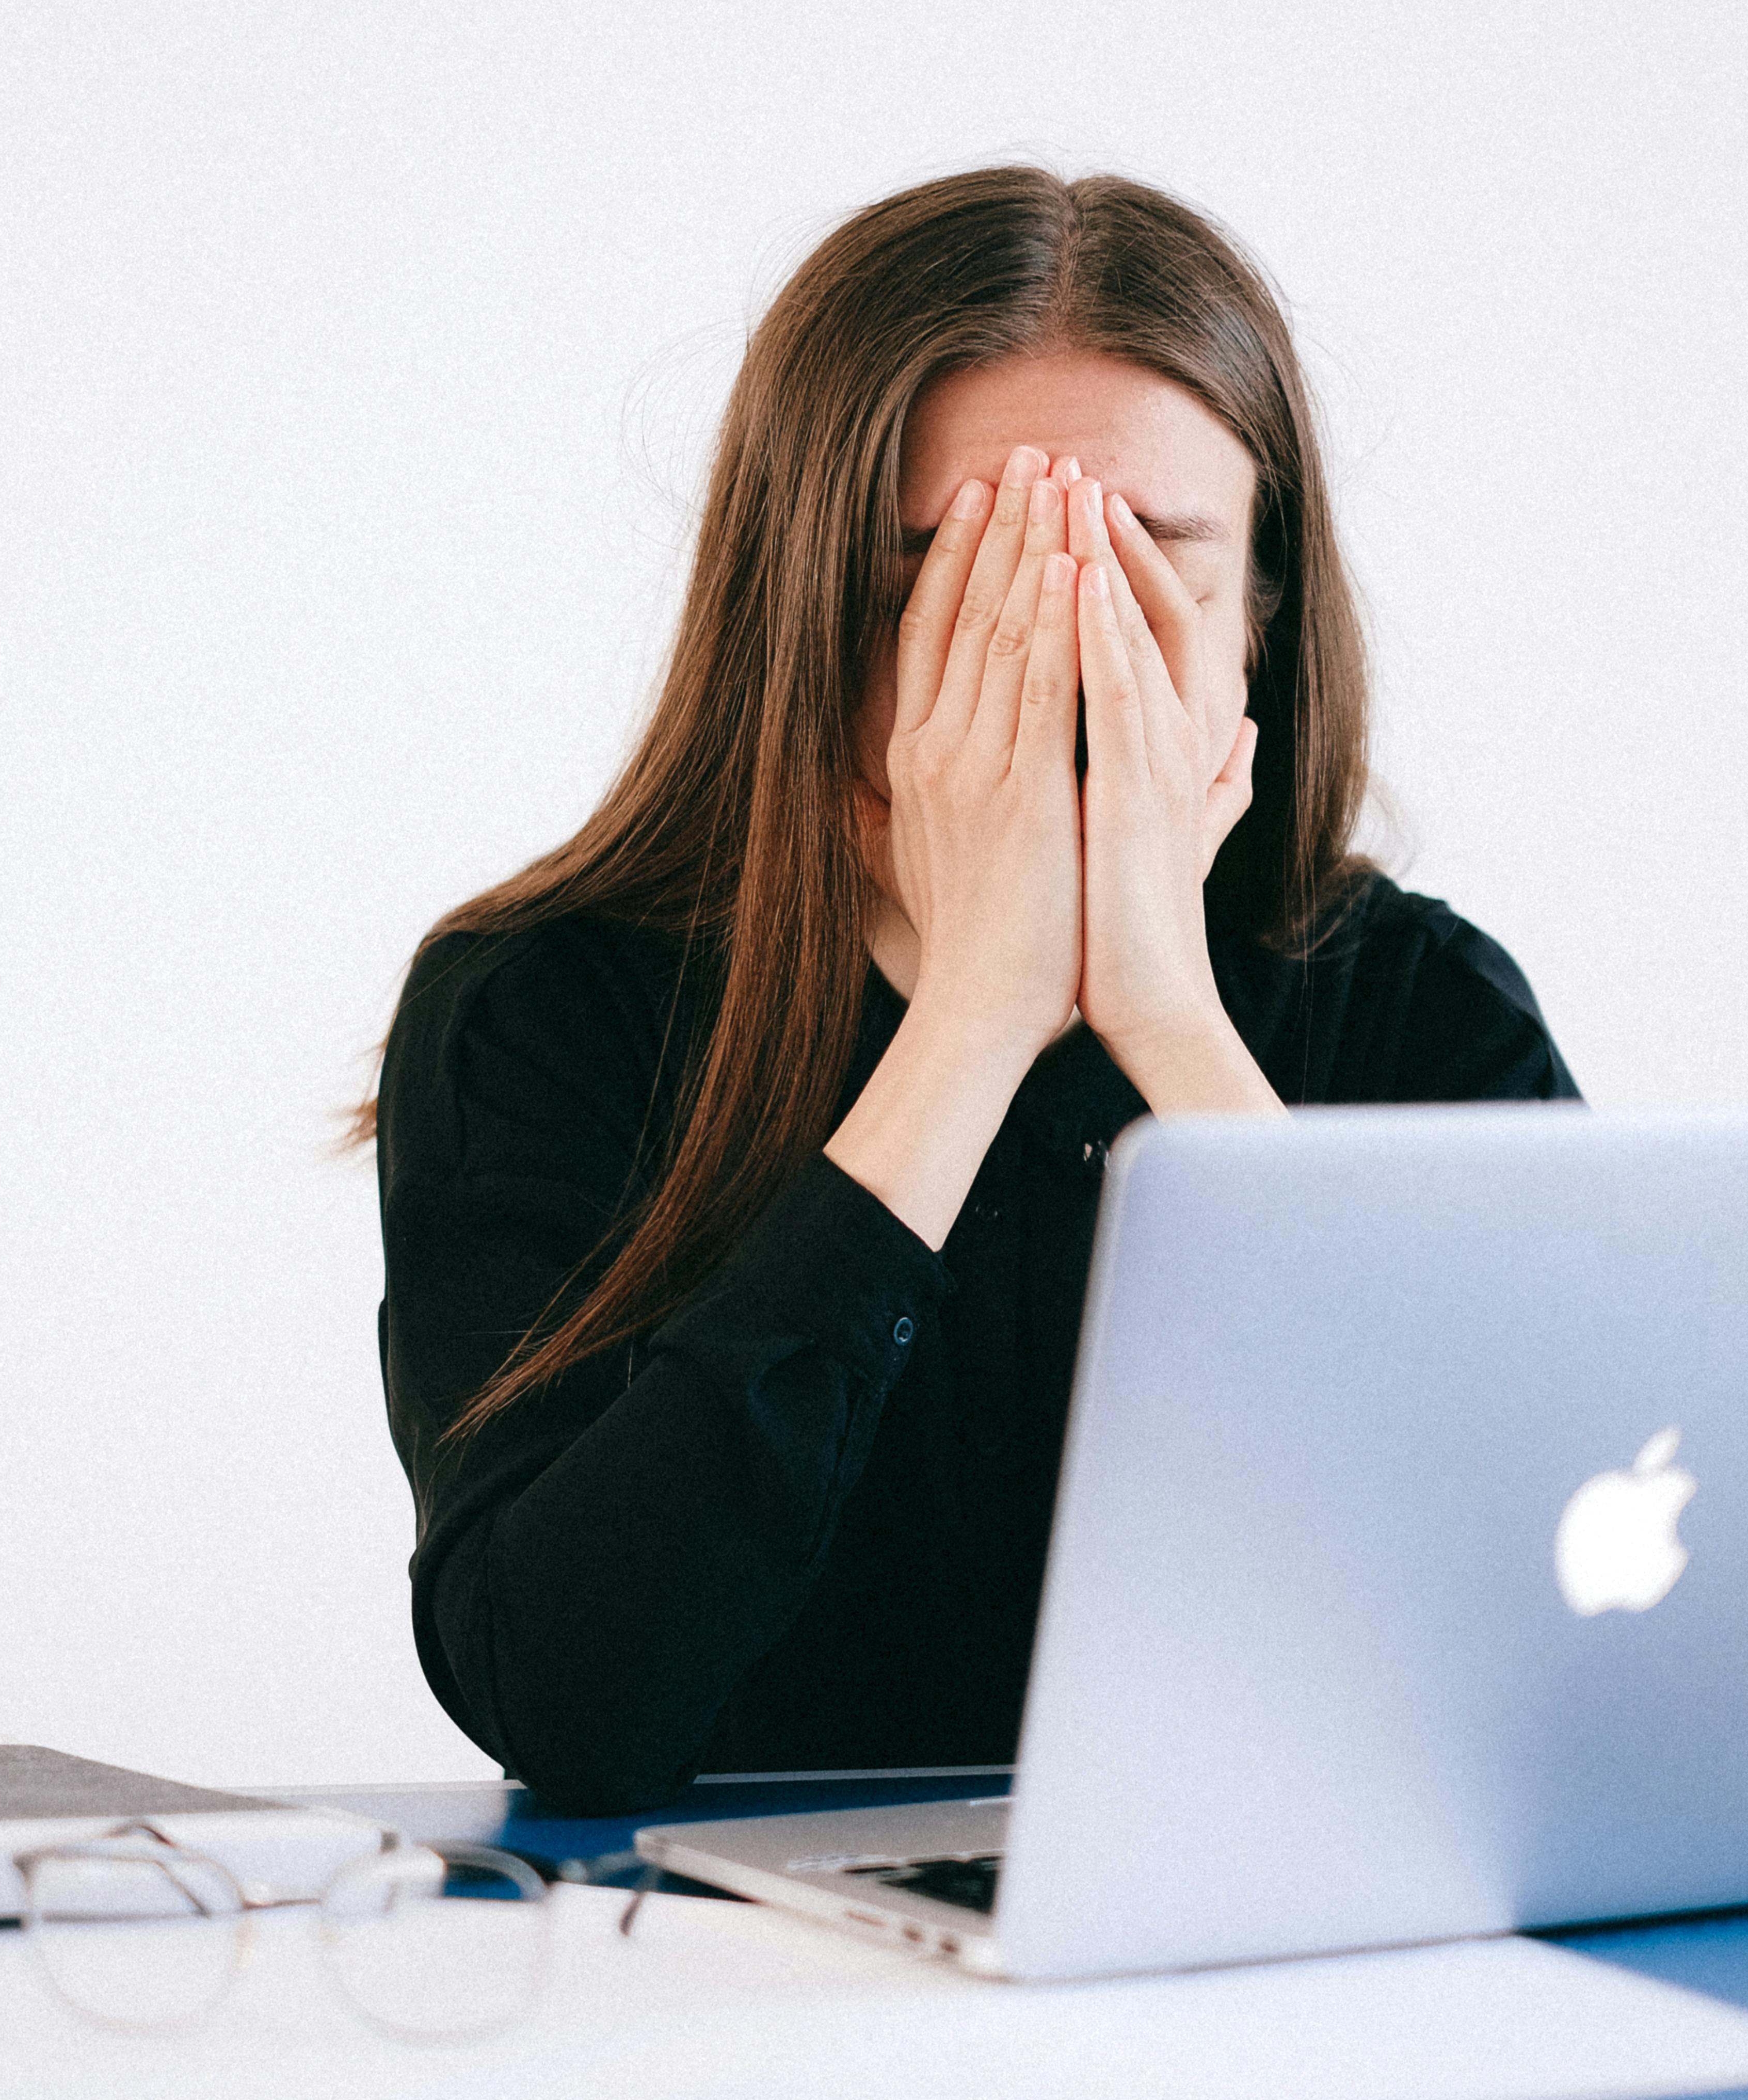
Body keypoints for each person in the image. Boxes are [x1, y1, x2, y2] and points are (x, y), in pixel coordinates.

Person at [361, 167, 1578, 1815]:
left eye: (1150, 573)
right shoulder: (541, 1010)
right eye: (949, 579)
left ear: (1261, 624)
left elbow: (1540, 1642)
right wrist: (972, 1024)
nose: (1059, 654)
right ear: (803, 615)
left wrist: (1166, 1020)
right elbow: (571, 1701)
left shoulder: (1417, 1006)